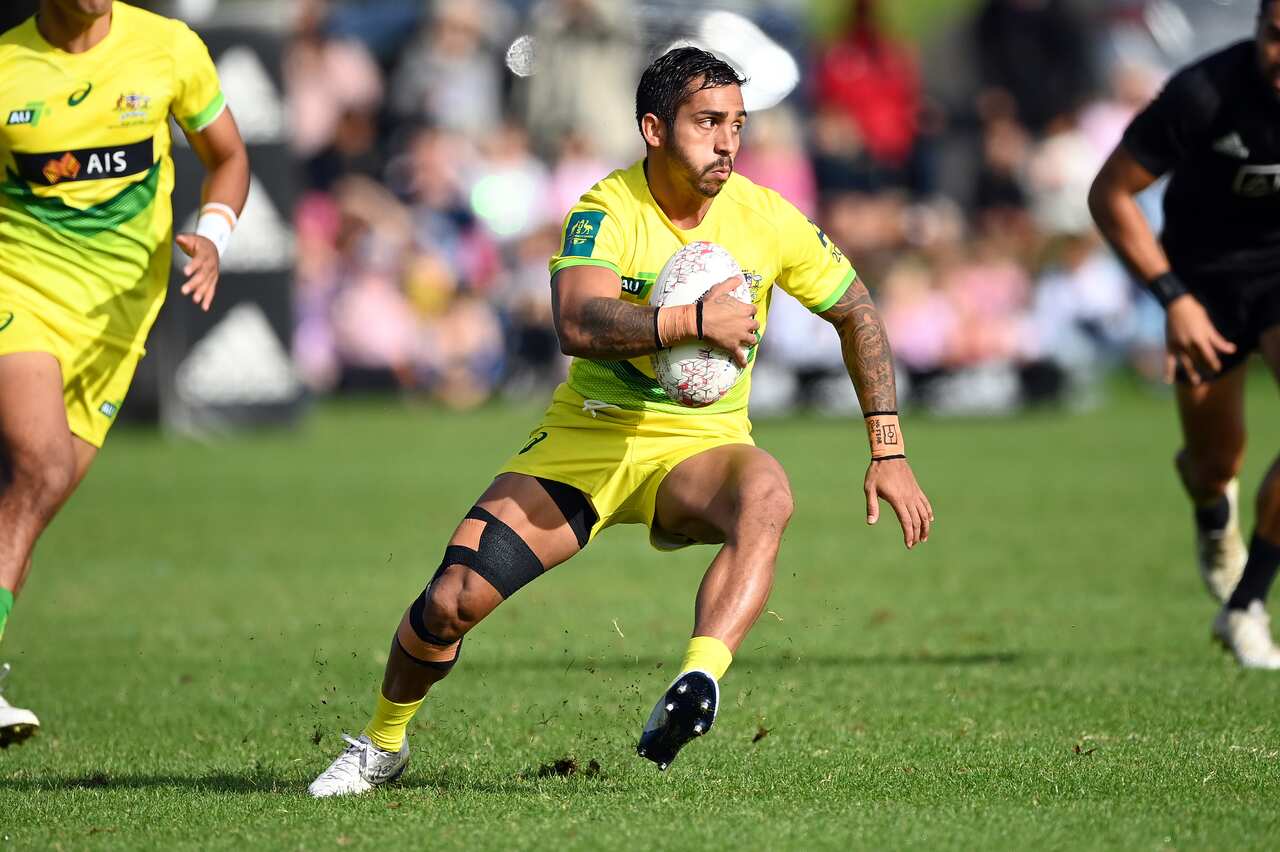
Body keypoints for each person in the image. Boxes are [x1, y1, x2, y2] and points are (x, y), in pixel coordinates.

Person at [309, 47, 932, 796]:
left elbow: (856, 307)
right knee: (449, 603)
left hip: (700, 448)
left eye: (737, 123)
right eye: (707, 122)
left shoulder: (767, 217)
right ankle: (383, 744)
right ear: (654, 129)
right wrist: (691, 319)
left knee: (767, 492)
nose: (728, 141)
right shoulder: (605, 210)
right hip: (590, 438)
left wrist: (887, 447)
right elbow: (577, 322)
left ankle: (697, 683)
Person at [0, 0, 250, 745]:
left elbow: (229, 157)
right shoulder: (7, 67)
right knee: (39, 465)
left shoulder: (169, 47)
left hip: (118, 320)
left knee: (31, 497)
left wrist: (212, 236)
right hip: (21, 288)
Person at [1089, 0, 1280, 668]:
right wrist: (1173, 300)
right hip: (1205, 286)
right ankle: (1212, 508)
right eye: (1276, 38)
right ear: (1258, 30)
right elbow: (1109, 194)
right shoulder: (1204, 93)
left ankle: (1247, 605)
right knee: (1213, 462)